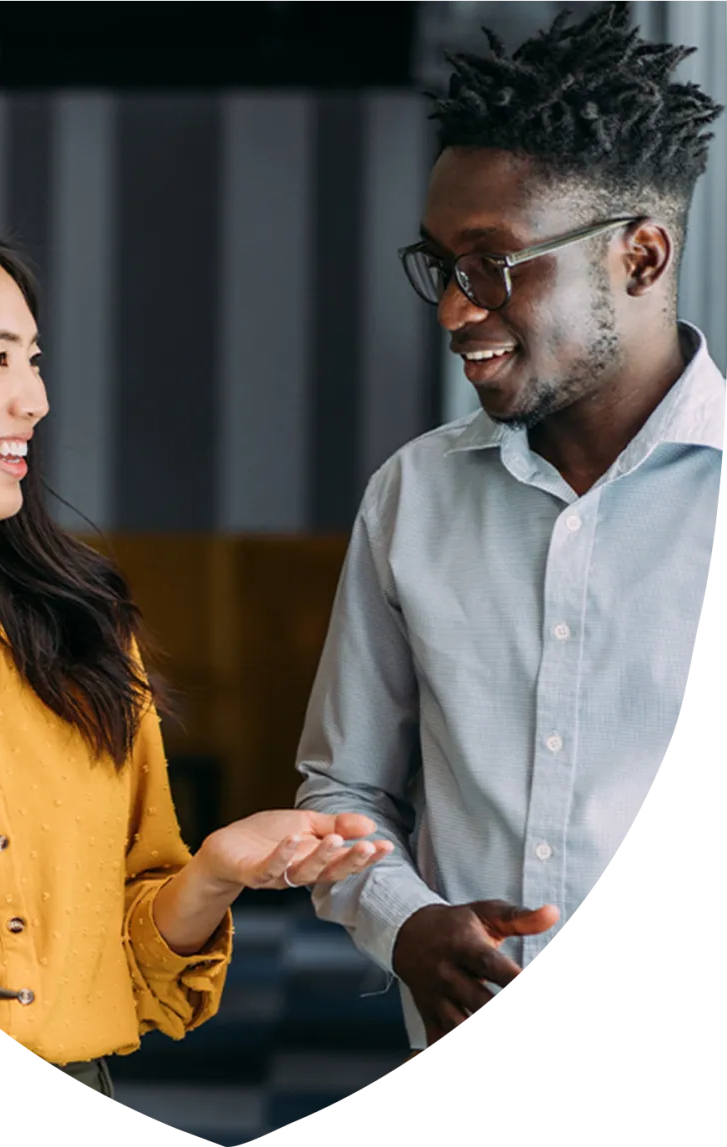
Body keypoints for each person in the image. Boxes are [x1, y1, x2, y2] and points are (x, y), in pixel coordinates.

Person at [0, 208, 394, 1101]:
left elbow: (131, 960)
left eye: (34, 360)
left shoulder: (80, 636)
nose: (36, 399)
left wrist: (213, 870)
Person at [294, 0, 724, 1058]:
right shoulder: (411, 498)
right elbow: (342, 789)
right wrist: (405, 924)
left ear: (640, 256)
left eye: (492, 262)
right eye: (441, 265)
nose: (451, 309)